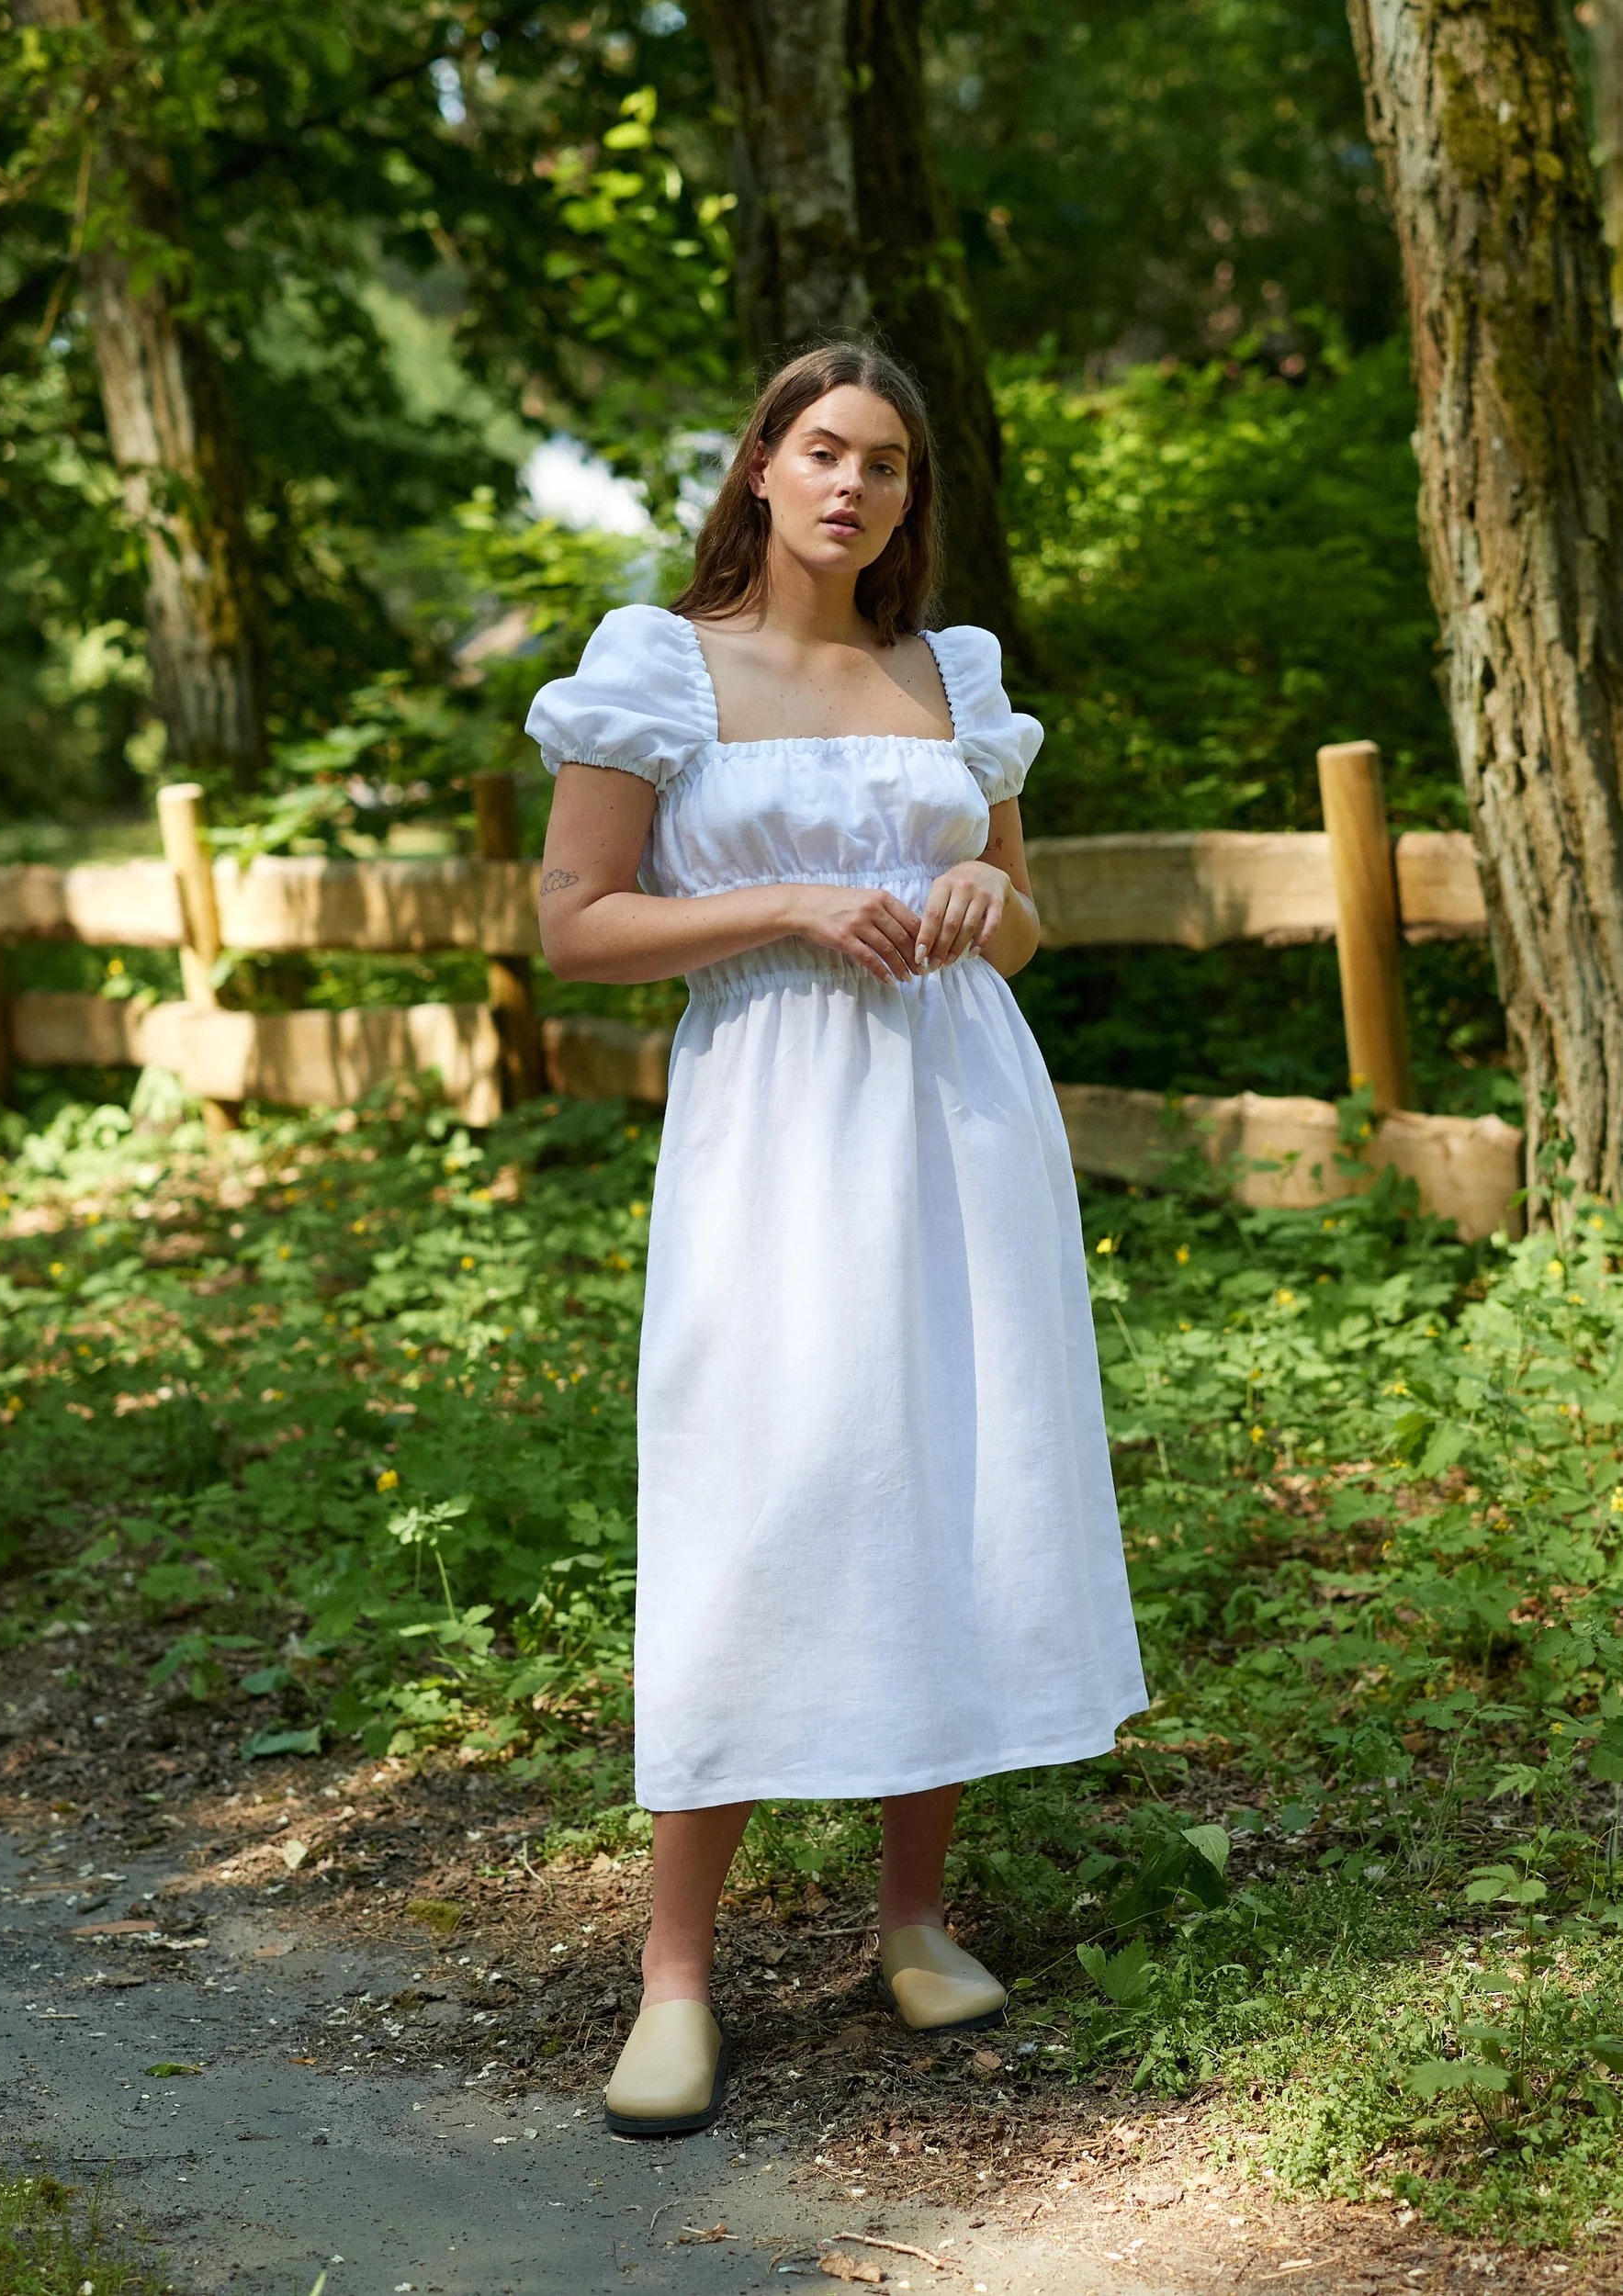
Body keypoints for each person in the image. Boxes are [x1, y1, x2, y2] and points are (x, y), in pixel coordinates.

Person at [525, 342, 1147, 2138]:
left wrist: (984, 895)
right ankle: (673, 1973)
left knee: (944, 1476)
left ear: (905, 494)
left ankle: (911, 1916)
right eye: (819, 448)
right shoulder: (664, 664)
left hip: (960, 1125)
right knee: (755, 1499)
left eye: (880, 459)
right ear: (762, 468)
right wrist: (783, 899)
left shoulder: (948, 672)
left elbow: (1021, 920)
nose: (849, 484)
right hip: (772, 1132)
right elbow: (576, 924)